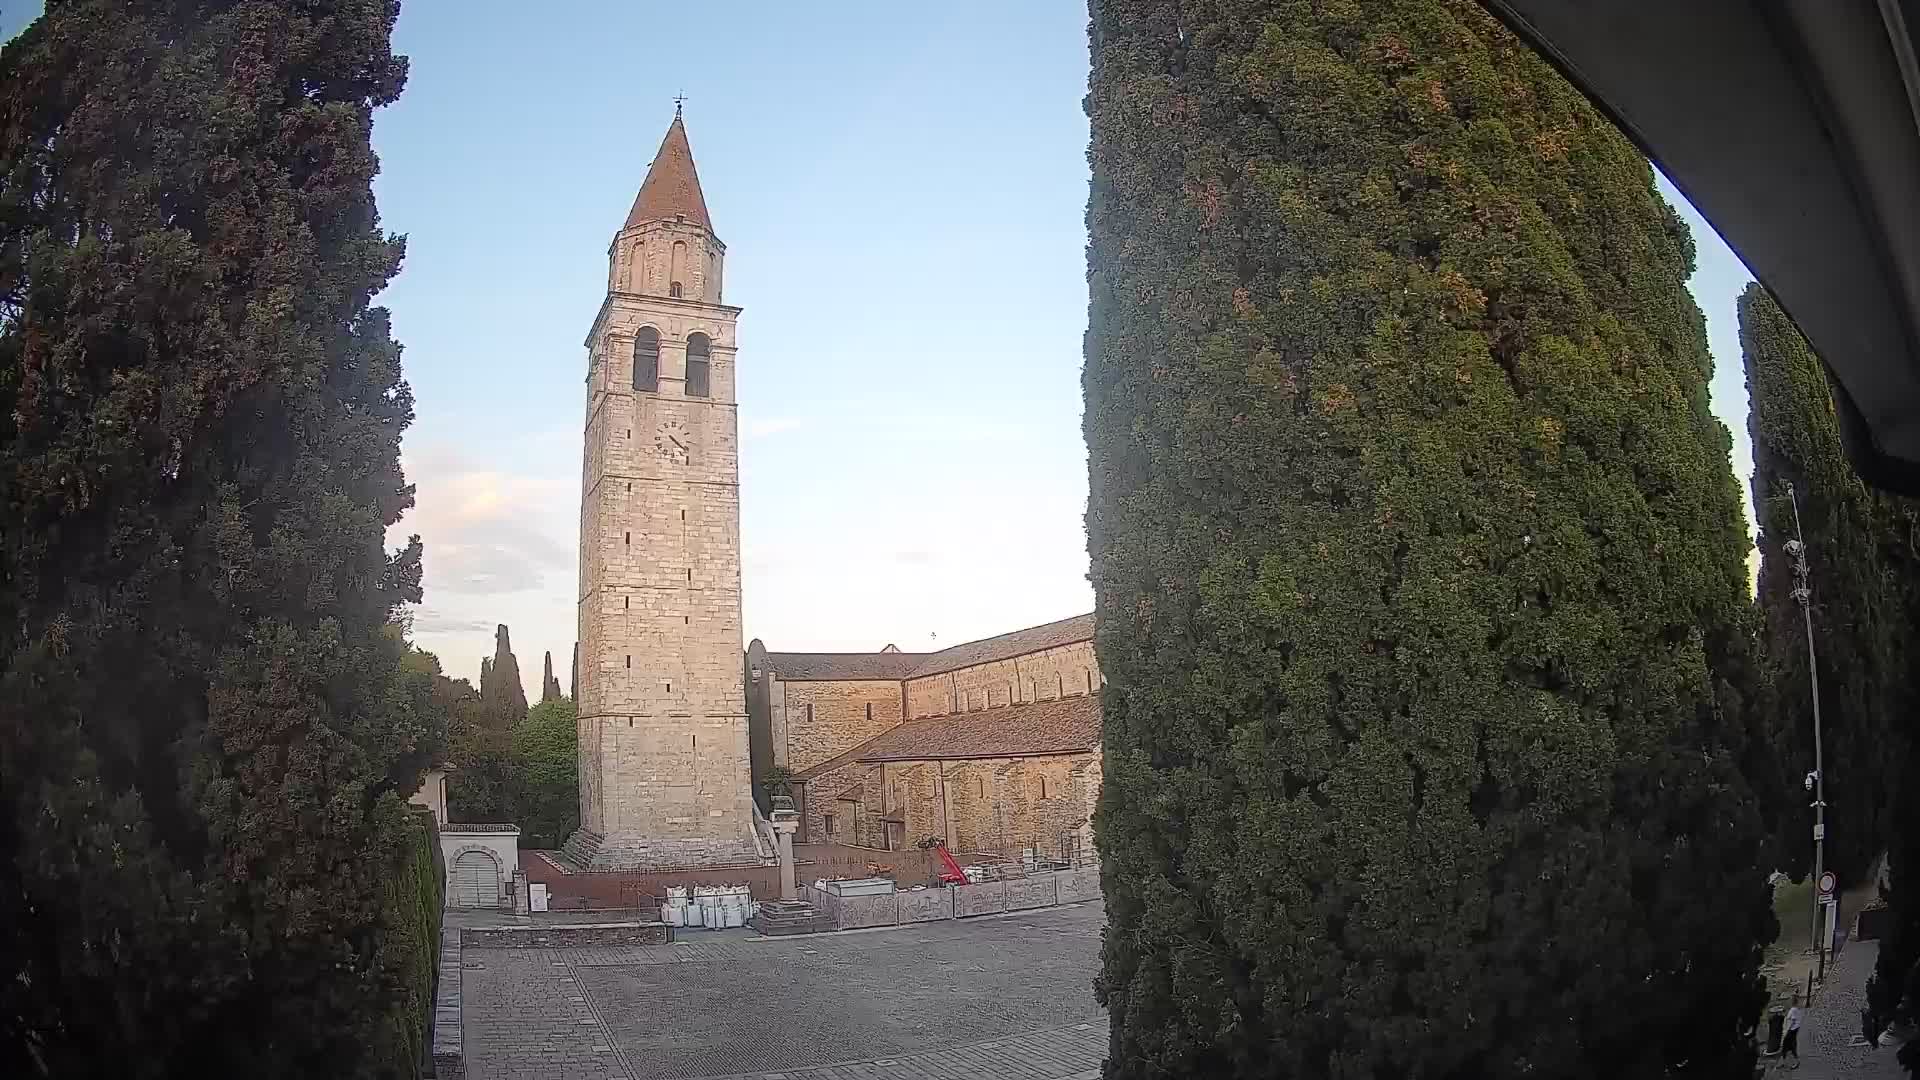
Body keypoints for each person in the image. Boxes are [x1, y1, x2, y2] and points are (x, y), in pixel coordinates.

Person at [1784, 997, 1804, 1067]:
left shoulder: (1792, 1010)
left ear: (1791, 1002)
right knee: (1790, 1044)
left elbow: (1791, 1021)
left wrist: (1786, 1030)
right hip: (1795, 1029)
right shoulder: (1797, 1009)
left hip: (1792, 1030)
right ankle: (1786, 1060)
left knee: (1789, 1045)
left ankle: (1796, 1061)